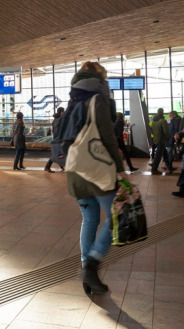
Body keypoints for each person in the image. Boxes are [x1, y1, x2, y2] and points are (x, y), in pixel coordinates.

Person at [63, 62, 127, 295]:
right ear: (100, 78)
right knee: (117, 216)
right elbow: (108, 137)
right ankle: (91, 264)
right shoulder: (97, 100)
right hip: (97, 171)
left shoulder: (72, 101)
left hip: (75, 171)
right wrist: (120, 169)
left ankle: (86, 271)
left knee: (89, 220)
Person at [45, 107, 65, 172]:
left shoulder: (55, 120)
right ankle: (47, 166)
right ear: (61, 112)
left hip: (56, 138)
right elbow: (59, 131)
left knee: (59, 153)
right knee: (56, 154)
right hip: (58, 139)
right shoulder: (59, 120)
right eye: (63, 111)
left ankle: (62, 166)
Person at [150, 108, 169, 175]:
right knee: (158, 155)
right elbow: (166, 132)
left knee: (165, 154)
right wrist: (167, 138)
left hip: (156, 139)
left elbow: (152, 130)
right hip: (162, 140)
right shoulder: (163, 121)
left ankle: (169, 166)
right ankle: (154, 169)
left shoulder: (154, 121)